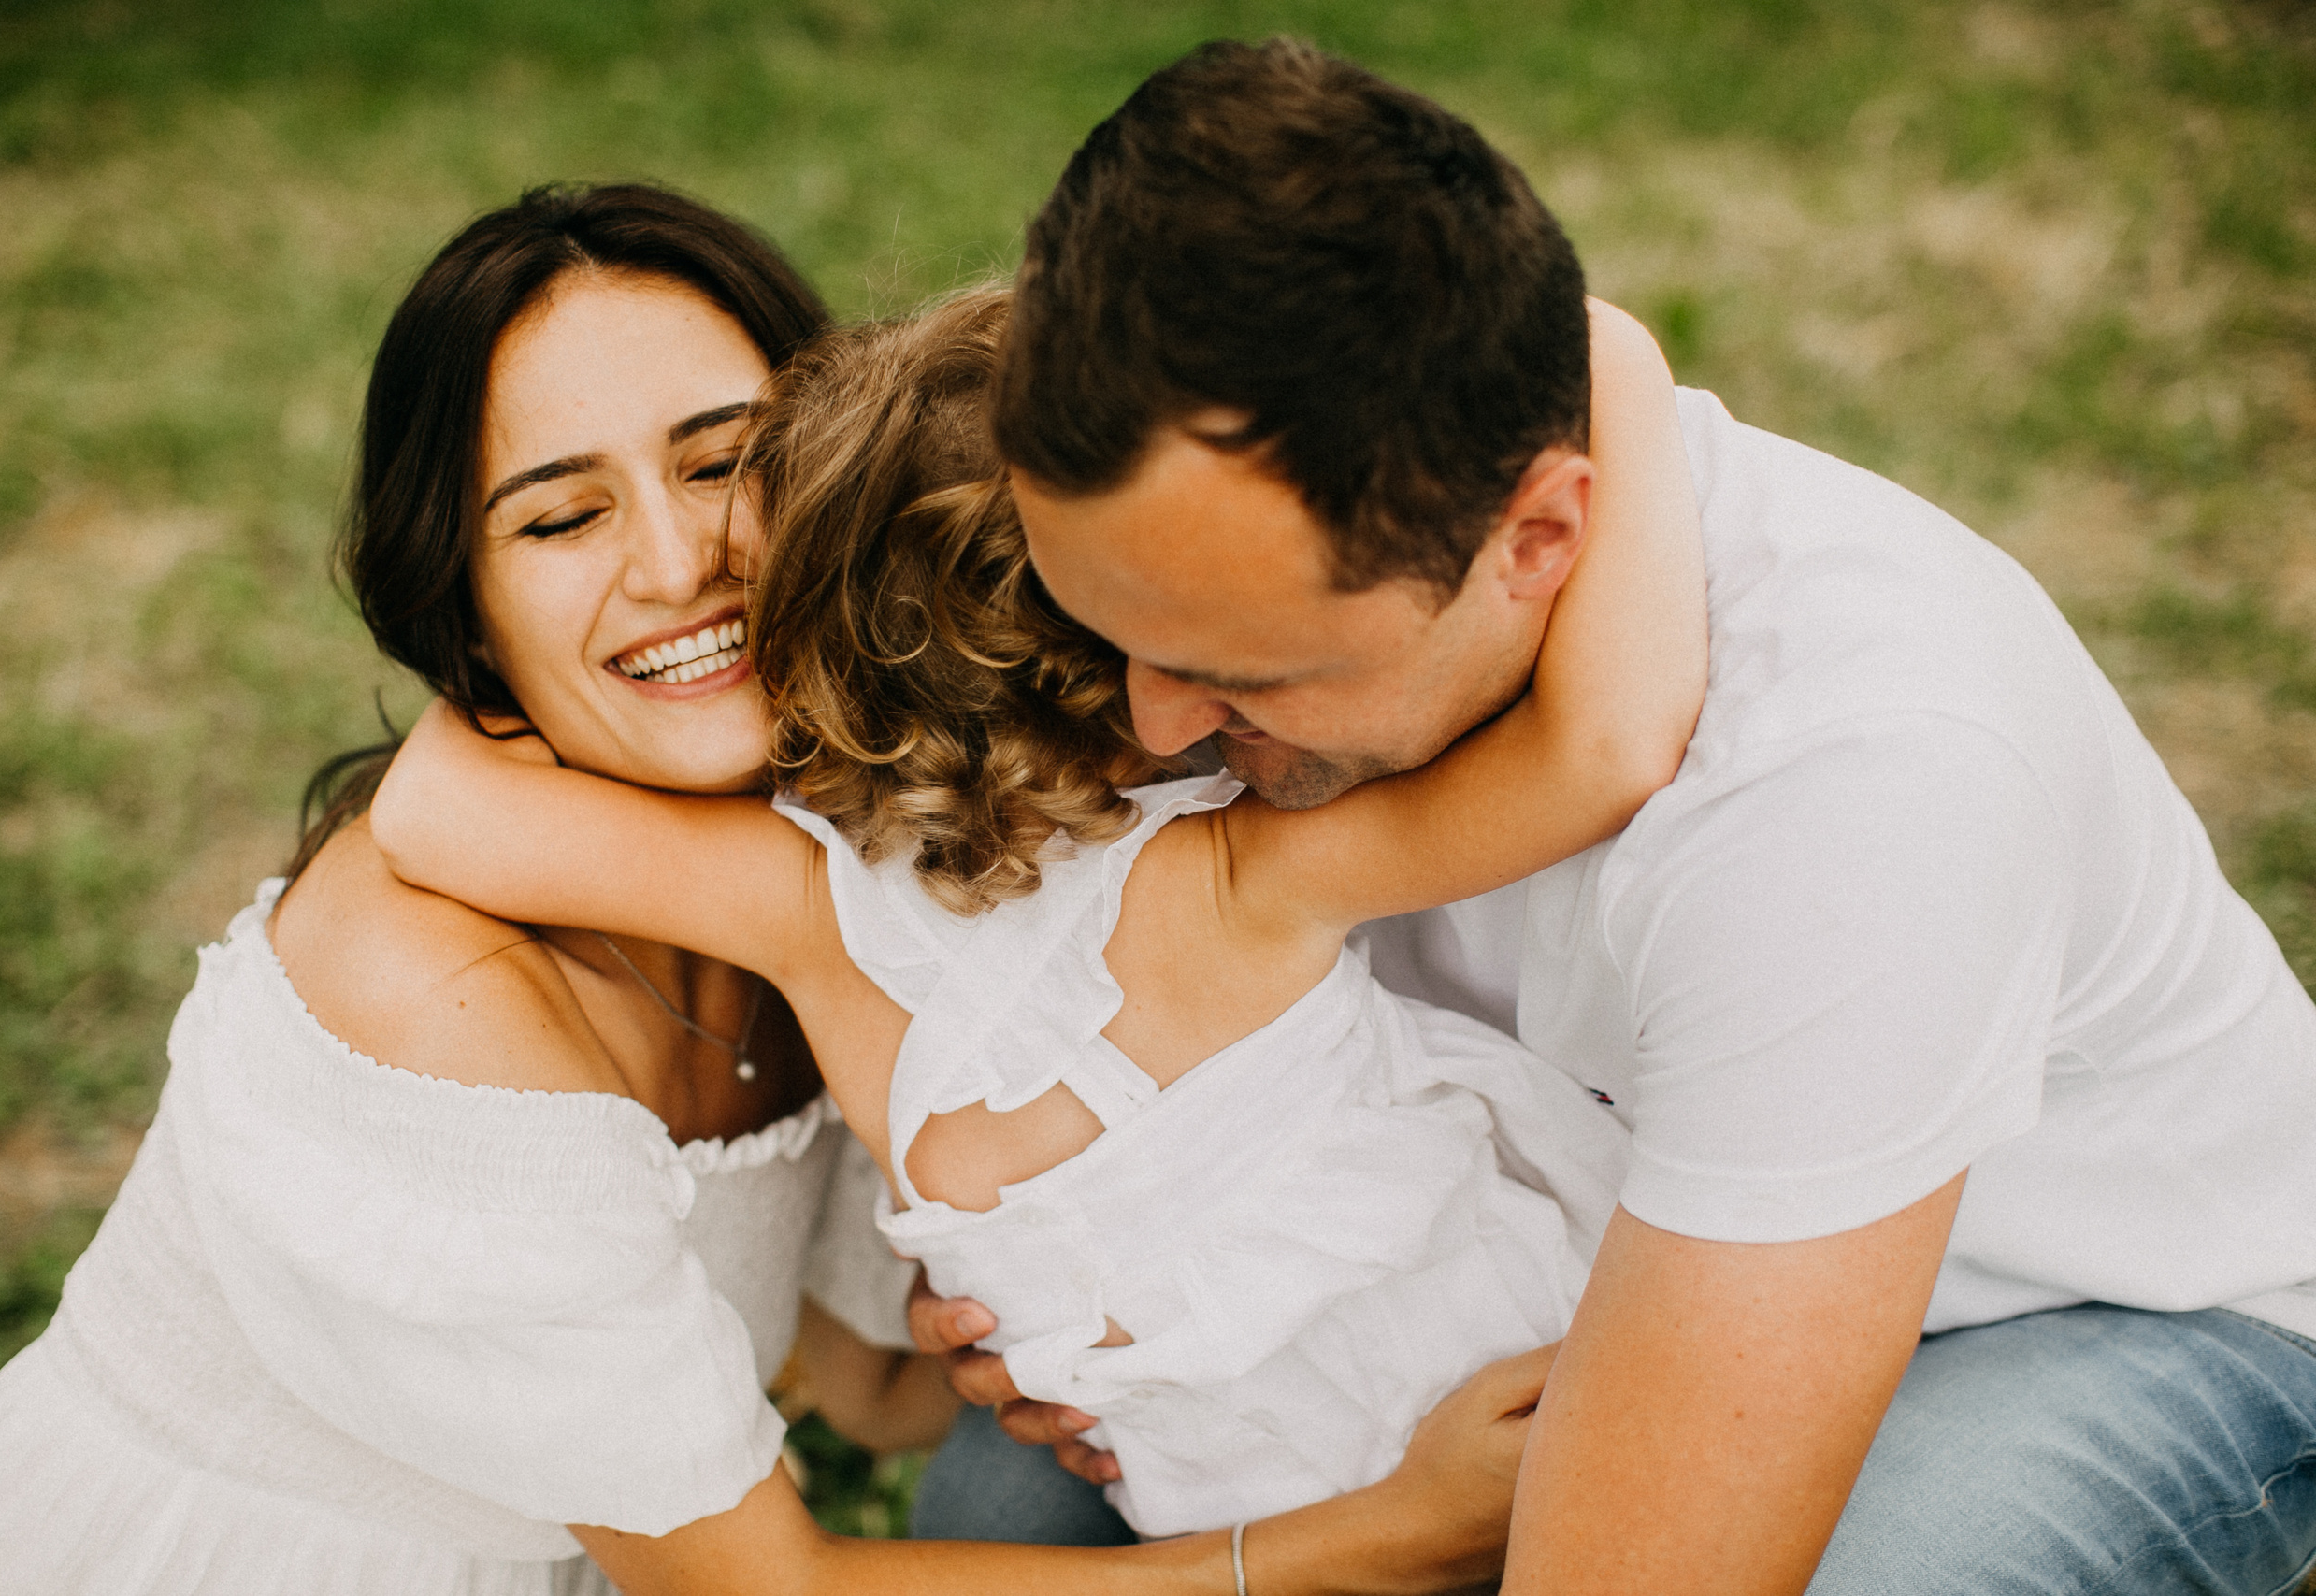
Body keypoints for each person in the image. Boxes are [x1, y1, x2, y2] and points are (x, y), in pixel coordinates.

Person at [0, 183, 1552, 1596]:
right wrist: (1378, 1539)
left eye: (728, 463)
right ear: (464, 608)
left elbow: (857, 1377)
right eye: (560, 517)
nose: (678, 562)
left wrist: (1027, 1322)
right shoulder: (435, 1014)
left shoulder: (857, 854)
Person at [913, 36, 2316, 1595]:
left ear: (1540, 535)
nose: (1153, 724)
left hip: (2085, 1305)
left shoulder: (1863, 787)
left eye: (1244, 673)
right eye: (1110, 628)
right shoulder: (1206, 566)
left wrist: (1400, 1526)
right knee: (1012, 1508)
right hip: (1544, 1221)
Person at [365, 279, 1701, 1551]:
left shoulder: (801, 910)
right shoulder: (1248, 875)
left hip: (1235, 1509)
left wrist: (560, 618)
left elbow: (428, 808)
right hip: (1548, 1385)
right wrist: (1611, 359)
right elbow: (1605, 751)